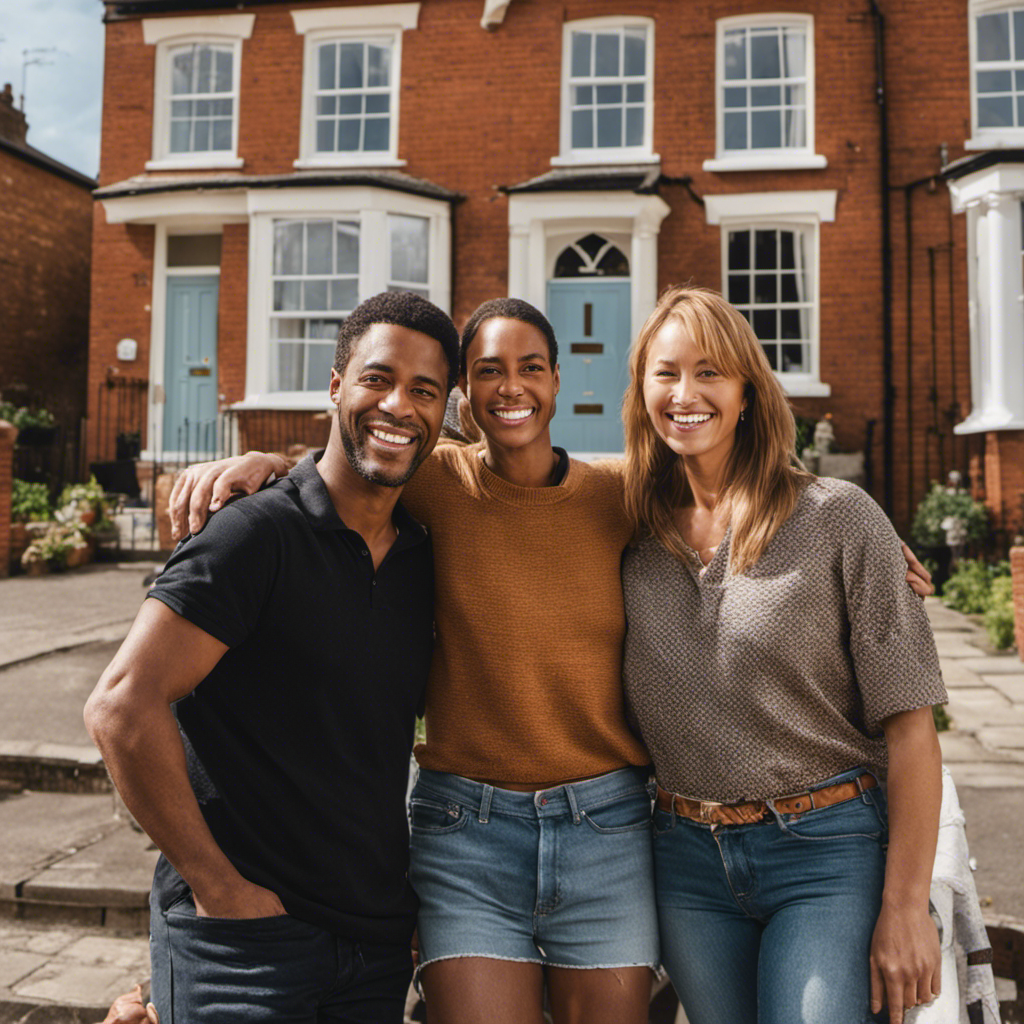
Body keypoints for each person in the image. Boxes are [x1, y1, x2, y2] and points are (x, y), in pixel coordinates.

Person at [159, 297, 935, 1024]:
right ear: (462, 394)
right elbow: (359, 457)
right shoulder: (454, 486)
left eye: (531, 366)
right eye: (487, 370)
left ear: (559, 381)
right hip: (487, 826)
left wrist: (859, 536)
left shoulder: (624, 500)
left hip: (633, 827)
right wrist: (263, 462)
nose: (510, 386)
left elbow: (745, 504)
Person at [84, 291, 461, 1024]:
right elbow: (121, 707)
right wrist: (217, 887)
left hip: (374, 943)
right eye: (377, 379)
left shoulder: (426, 554)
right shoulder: (254, 535)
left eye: (425, 390)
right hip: (243, 945)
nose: (399, 406)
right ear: (334, 387)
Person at [619, 284, 947, 1024]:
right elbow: (483, 440)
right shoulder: (627, 529)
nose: (685, 393)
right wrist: (305, 471)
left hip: (827, 854)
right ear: (641, 391)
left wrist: (904, 909)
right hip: (685, 862)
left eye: (710, 372)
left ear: (747, 393)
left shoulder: (837, 518)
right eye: (665, 373)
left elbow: (913, 733)